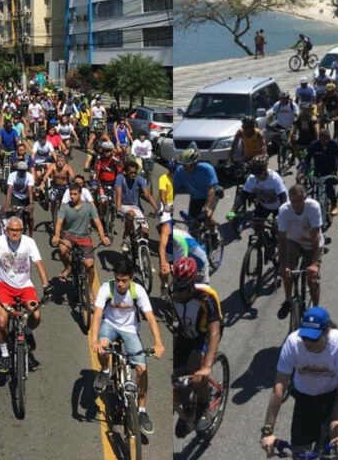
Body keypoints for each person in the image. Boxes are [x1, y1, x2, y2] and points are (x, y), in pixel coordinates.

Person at [261, 306, 338, 459]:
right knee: (299, 454)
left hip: (334, 393)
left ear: (327, 331)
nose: (308, 343)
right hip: (306, 396)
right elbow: (279, 388)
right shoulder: (293, 342)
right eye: (305, 337)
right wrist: (268, 431)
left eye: (313, 338)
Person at [90, 257, 165, 436]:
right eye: (118, 280)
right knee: (103, 345)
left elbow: (150, 317)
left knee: (142, 369)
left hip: (130, 329)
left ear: (131, 278)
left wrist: (158, 342)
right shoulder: (106, 288)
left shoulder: (137, 291)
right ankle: (105, 370)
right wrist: (94, 339)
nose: (120, 284)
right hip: (110, 324)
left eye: (124, 280)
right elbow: (98, 315)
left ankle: (142, 411)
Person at [0, 216, 51, 374]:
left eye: (18, 230)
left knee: (36, 315)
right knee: (2, 321)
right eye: (12, 230)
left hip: (24, 286)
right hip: (5, 287)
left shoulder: (29, 242)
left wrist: (46, 285)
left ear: (22, 231)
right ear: (6, 231)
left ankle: (27, 333)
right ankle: (5, 355)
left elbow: (38, 263)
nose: (15, 233)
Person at [169, 258, 222, 436]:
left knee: (195, 365)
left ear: (192, 284)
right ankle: (188, 409)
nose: (178, 292)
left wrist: (206, 367)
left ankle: (203, 406)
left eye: (182, 288)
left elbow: (215, 332)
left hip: (205, 335)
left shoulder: (206, 296)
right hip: (185, 334)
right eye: (176, 287)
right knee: (177, 375)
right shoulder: (173, 295)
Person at [275, 184, 323, 320]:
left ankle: (316, 309)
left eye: (299, 201)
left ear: (305, 198)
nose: (296, 205)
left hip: (311, 244)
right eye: (293, 201)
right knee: (287, 271)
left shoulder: (313, 207)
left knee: (312, 279)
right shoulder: (284, 210)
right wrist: (282, 264)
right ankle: (288, 299)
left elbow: (315, 236)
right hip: (294, 241)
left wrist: (314, 264)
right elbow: (282, 238)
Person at [51, 182, 110, 292]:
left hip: (84, 237)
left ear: (80, 194)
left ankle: (89, 288)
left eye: (75, 194)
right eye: (71, 194)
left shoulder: (89, 207)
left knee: (90, 265)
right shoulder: (65, 207)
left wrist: (102, 236)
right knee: (63, 249)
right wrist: (57, 235)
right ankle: (68, 268)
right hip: (70, 235)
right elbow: (59, 222)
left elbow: (97, 222)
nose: (72, 196)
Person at [171, 147, 219, 228]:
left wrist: (207, 207)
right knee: (193, 223)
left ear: (195, 163)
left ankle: (215, 232)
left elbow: (211, 190)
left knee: (207, 216)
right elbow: (173, 190)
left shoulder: (207, 169)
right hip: (196, 197)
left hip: (212, 194)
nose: (185, 167)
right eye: (183, 164)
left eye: (187, 165)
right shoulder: (179, 171)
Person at [114, 158, 156, 245]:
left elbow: (147, 195)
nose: (133, 174)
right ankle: (126, 237)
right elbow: (119, 193)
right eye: (131, 172)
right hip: (123, 206)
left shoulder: (139, 179)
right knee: (131, 214)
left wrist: (157, 209)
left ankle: (143, 252)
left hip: (136, 207)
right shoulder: (120, 178)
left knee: (145, 231)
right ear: (125, 172)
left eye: (135, 172)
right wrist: (118, 209)